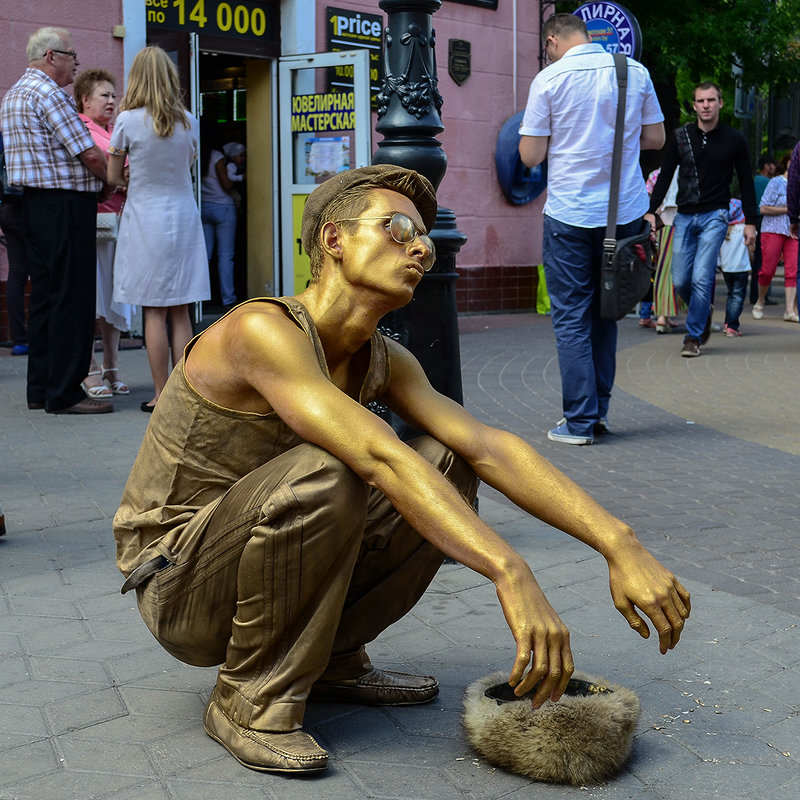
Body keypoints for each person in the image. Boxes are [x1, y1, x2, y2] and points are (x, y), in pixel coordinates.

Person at [113, 164, 690, 776]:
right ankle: (247, 699)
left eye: (425, 238)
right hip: (177, 582)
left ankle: (331, 659)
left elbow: (489, 447)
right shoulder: (262, 329)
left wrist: (618, 542)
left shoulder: (382, 358)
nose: (419, 246)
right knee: (335, 470)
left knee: (447, 461)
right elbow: (376, 455)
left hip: (250, 557)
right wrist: (509, 570)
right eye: (395, 228)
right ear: (333, 239)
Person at [518, 13, 665, 445]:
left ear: (552, 41)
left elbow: (529, 156)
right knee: (607, 310)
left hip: (570, 214)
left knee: (571, 318)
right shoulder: (633, 71)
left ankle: (579, 423)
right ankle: (597, 412)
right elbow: (655, 138)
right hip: (625, 212)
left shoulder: (549, 79)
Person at [0, 27, 112, 413]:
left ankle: (42, 388)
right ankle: (66, 393)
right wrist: (108, 183)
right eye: (72, 56)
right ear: (52, 56)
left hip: (31, 205)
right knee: (72, 297)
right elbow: (90, 155)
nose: (75, 64)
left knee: (46, 295)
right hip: (64, 207)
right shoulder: (49, 94)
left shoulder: (14, 94)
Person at [108, 46, 210, 412]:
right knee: (180, 310)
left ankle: (159, 393)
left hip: (146, 217)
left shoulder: (127, 121)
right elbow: (189, 165)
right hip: (182, 216)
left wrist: (128, 174)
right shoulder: (188, 121)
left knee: (153, 311)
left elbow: (112, 175)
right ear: (171, 78)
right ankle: (186, 395)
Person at [646, 82, 757, 359]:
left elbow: (746, 182)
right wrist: (651, 210)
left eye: (711, 100)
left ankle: (693, 337)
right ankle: (703, 309)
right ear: (694, 106)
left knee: (702, 277)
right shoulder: (681, 136)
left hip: (716, 216)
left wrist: (752, 222)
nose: (706, 105)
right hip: (684, 215)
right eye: (700, 101)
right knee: (680, 278)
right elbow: (666, 175)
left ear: (720, 103)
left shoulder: (734, 139)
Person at [74, 68, 132, 399]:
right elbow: (116, 169)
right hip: (95, 226)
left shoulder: (113, 128)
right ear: (85, 99)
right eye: (103, 95)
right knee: (92, 300)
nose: (111, 101)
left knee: (114, 300)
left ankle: (112, 368)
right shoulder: (84, 129)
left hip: (118, 225)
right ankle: (91, 367)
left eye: (113, 95)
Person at [754, 153, 797, 322]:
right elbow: (763, 208)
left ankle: (789, 311)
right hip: (772, 229)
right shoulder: (776, 182)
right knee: (768, 270)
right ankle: (760, 301)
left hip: (793, 231)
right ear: (787, 163)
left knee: (792, 270)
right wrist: (788, 209)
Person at [201, 140, 243, 308]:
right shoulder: (216, 156)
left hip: (204, 207)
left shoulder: (198, 154)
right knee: (225, 256)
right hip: (223, 208)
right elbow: (226, 185)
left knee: (205, 256)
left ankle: (200, 299)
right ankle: (228, 298)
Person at [0, 130, 29, 356]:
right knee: (41, 272)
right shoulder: (23, 136)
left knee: (16, 275)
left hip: (7, 208)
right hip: (27, 207)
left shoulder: (3, 138)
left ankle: (20, 339)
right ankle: (39, 336)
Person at [717, 198, 751, 336]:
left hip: (726, 269)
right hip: (741, 268)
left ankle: (728, 323)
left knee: (731, 294)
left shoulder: (722, 230)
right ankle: (731, 325)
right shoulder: (744, 229)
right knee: (737, 296)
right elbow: (753, 245)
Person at [751, 155, 777, 305]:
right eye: (773, 165)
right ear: (767, 166)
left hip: (755, 220)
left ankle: (757, 295)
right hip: (764, 220)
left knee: (759, 260)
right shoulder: (768, 182)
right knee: (765, 259)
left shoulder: (755, 180)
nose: (774, 168)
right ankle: (761, 296)